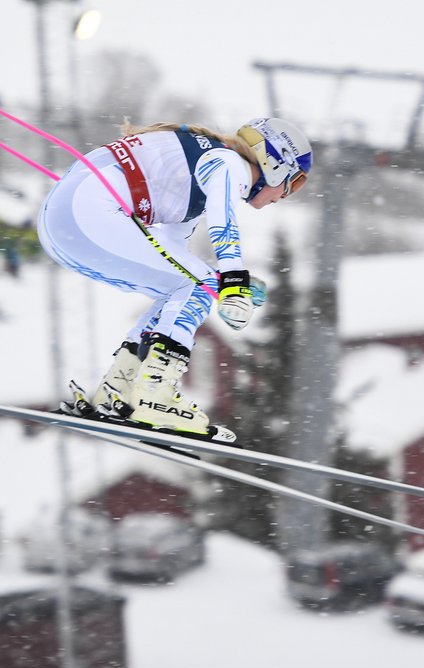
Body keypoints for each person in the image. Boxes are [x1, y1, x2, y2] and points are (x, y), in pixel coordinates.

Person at [37, 118, 313, 437]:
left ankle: (119, 389)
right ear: (275, 162)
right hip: (87, 215)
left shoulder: (203, 165)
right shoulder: (229, 163)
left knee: (182, 288)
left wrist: (223, 282)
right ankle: (154, 396)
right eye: (295, 182)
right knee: (196, 283)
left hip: (63, 222)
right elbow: (224, 220)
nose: (286, 194)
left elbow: (171, 256)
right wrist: (233, 280)